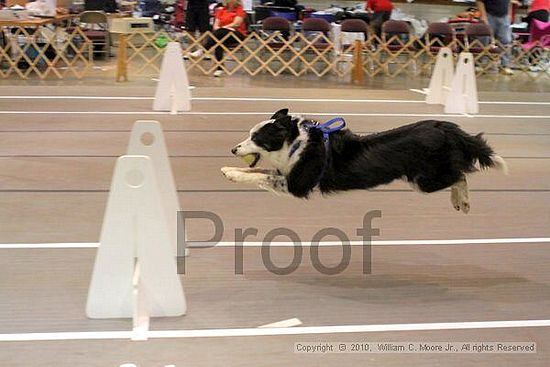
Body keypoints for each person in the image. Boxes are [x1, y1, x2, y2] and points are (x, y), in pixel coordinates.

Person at [189, 0, 248, 77]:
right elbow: (215, 25)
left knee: (220, 33)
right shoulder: (221, 10)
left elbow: (236, 24)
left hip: (237, 34)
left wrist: (224, 28)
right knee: (218, 43)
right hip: (222, 34)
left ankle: (203, 50)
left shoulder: (240, 10)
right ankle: (219, 68)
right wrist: (220, 29)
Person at [476, 0, 515, 75]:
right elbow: (479, 1)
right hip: (489, 15)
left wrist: (509, 15)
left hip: (504, 16)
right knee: (485, 39)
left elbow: (509, 3)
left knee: (506, 41)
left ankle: (505, 66)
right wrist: (484, 16)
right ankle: (481, 64)